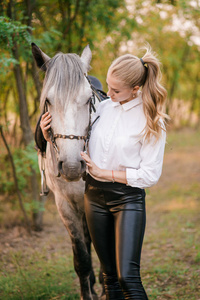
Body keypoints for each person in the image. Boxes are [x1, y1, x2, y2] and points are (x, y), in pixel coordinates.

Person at [40, 46, 168, 300]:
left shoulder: (151, 119)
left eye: (115, 90)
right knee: (109, 278)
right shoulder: (103, 109)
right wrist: (48, 137)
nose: (107, 94)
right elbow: (76, 133)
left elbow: (149, 176)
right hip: (94, 198)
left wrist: (104, 172)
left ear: (135, 89)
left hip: (127, 200)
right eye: (107, 87)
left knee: (127, 279)